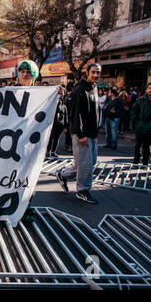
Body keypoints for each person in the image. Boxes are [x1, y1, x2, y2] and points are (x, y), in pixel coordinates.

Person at [56, 63, 102, 204]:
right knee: (85, 165)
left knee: (88, 162)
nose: (95, 75)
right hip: (82, 134)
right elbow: (75, 114)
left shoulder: (93, 88)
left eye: (98, 72)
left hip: (92, 133)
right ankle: (82, 191)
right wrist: (80, 134)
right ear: (87, 73)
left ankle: (63, 174)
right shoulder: (80, 90)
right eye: (93, 72)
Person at [46, 86, 68, 158]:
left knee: (57, 138)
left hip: (60, 123)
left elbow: (65, 114)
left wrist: (65, 126)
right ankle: (48, 152)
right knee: (50, 138)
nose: (61, 93)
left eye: (62, 92)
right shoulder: (52, 101)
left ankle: (53, 151)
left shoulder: (63, 101)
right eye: (60, 91)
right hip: (53, 122)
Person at [63, 81, 75, 153]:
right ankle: (70, 146)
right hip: (71, 116)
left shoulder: (66, 96)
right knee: (70, 132)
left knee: (67, 131)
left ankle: (66, 145)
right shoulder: (72, 96)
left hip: (66, 116)